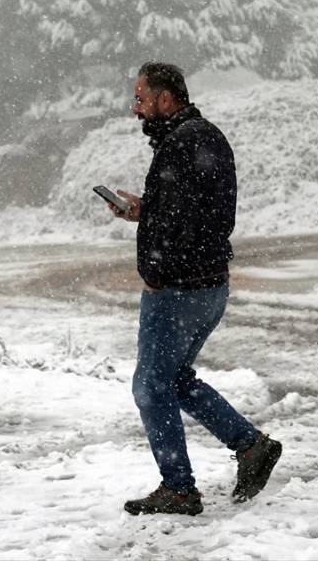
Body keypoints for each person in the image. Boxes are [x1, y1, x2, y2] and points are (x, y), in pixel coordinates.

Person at [106, 61, 282, 517]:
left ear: (167, 99)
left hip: (179, 291)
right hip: (206, 285)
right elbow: (193, 214)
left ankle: (180, 489)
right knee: (175, 379)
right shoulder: (197, 139)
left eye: (142, 99)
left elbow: (187, 224)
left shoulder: (186, 143)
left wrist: (158, 273)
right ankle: (250, 446)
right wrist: (144, 211)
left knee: (149, 385)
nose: (136, 109)